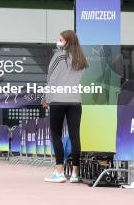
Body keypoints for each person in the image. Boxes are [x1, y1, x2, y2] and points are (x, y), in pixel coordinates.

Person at [42, 30, 88, 184]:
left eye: (60, 39)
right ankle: (75, 173)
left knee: (56, 135)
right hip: (75, 100)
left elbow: (51, 78)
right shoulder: (81, 58)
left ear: (67, 42)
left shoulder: (59, 55)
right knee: (75, 135)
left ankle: (59, 171)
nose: (58, 42)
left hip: (58, 99)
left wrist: (45, 98)